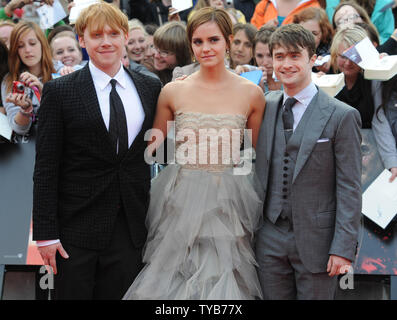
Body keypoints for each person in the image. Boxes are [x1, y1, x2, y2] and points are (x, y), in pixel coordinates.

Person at [123, 7, 265, 300]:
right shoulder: (173, 91)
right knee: (172, 279)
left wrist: (235, 189)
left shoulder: (252, 93)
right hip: (180, 197)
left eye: (213, 40)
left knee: (225, 281)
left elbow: (251, 155)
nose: (205, 48)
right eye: (197, 42)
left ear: (228, 40)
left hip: (229, 201)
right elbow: (155, 150)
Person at [32, 2, 162, 300]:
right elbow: (46, 168)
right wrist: (45, 234)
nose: (105, 42)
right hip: (72, 232)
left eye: (113, 34)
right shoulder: (60, 91)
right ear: (82, 40)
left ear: (125, 36)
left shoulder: (149, 87)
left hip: (130, 229)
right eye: (96, 35)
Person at [254, 23, 362, 300]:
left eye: (294, 56)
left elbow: (350, 188)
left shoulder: (342, 115)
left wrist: (343, 248)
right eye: (279, 57)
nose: (286, 64)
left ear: (312, 59)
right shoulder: (263, 106)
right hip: (269, 239)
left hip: (320, 243)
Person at [1, 21, 55, 136]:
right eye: (20, 46)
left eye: (32, 43)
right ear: (15, 50)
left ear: (42, 44)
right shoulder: (10, 81)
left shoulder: (62, 71)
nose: (28, 50)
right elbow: (20, 129)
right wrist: (25, 109)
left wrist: (43, 91)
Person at [327, 0, 394, 45]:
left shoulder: (382, 3)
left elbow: (387, 35)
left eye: (353, 17)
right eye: (340, 21)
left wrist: (369, 42)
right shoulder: (333, 4)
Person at [292, 7, 334, 73]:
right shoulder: (289, 46)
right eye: (303, 32)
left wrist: (331, 62)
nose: (308, 37)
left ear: (323, 33)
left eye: (314, 33)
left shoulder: (331, 50)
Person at [152, 21, 191, 85]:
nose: (156, 56)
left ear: (181, 54)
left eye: (164, 52)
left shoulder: (191, 74)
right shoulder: (148, 68)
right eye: (155, 48)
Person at [250, 0, 321, 29]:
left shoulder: (313, 6)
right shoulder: (265, 4)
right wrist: (264, 30)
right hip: (265, 58)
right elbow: (252, 37)